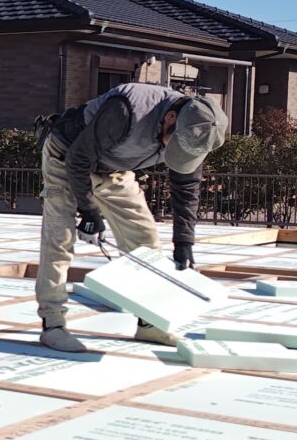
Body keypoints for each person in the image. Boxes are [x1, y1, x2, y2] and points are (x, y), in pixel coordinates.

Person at [35, 82, 228, 354]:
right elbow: (78, 159)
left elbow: (186, 189)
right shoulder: (127, 110)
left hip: (114, 167)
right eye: (173, 145)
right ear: (170, 118)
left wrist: (184, 242)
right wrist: (89, 212)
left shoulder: (197, 131)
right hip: (67, 156)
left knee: (144, 238)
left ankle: (149, 323)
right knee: (60, 240)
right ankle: (52, 324)